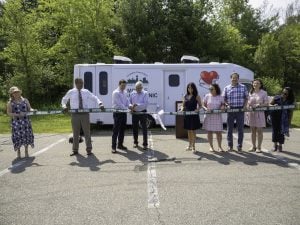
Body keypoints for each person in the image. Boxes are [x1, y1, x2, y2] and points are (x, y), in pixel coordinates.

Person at [61, 78, 104, 156]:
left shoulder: (86, 91)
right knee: (75, 133)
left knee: (87, 132)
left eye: (82, 83)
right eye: (80, 83)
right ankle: (75, 150)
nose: (81, 85)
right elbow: (64, 99)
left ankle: (89, 149)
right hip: (75, 114)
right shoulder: (71, 92)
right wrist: (64, 106)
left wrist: (100, 103)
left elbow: (94, 97)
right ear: (76, 83)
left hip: (85, 114)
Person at [222, 72, 248, 152]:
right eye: (233, 77)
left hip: (240, 110)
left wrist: (244, 107)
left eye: (236, 77)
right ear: (231, 78)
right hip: (231, 110)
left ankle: (239, 146)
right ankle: (230, 146)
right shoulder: (227, 88)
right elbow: (224, 98)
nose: (234, 79)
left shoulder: (243, 87)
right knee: (229, 129)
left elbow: (246, 98)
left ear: (238, 79)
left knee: (240, 129)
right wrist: (227, 105)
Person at [6, 86, 35, 159]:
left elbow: (29, 108)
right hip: (16, 123)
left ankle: (26, 151)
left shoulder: (25, 100)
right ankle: (18, 152)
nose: (16, 93)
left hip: (26, 122)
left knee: (26, 136)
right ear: (12, 94)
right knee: (17, 137)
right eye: (14, 92)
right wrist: (17, 114)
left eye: (17, 92)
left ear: (20, 92)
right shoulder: (10, 102)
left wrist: (32, 110)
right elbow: (9, 113)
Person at [270, 87, 295, 152]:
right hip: (275, 116)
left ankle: (280, 145)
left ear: (289, 94)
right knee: (275, 130)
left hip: (284, 118)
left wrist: (289, 121)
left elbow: (291, 112)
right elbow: (269, 104)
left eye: (286, 93)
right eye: (283, 92)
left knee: (282, 131)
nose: (283, 94)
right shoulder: (277, 97)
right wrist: (273, 105)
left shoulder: (290, 101)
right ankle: (275, 145)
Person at [247, 79, 269, 153]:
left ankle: (259, 147)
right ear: (252, 84)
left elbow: (266, 103)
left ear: (260, 85)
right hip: (251, 114)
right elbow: (248, 103)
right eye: (254, 83)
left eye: (257, 83)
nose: (255, 84)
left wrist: (259, 105)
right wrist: (248, 107)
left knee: (259, 130)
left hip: (260, 113)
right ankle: (253, 146)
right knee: (252, 131)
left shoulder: (264, 93)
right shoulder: (250, 93)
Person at [202, 84, 225, 152]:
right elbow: (203, 104)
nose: (210, 90)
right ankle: (211, 147)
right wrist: (206, 108)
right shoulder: (207, 96)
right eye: (210, 89)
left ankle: (220, 147)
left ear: (216, 89)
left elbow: (223, 104)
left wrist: (223, 107)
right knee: (209, 132)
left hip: (217, 116)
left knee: (219, 133)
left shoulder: (220, 97)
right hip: (209, 116)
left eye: (212, 89)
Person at [112, 79, 132, 153]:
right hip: (117, 113)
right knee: (116, 130)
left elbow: (127, 101)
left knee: (122, 130)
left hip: (124, 113)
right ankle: (113, 147)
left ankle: (120, 145)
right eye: (122, 85)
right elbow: (119, 104)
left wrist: (130, 105)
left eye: (125, 86)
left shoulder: (125, 92)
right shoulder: (115, 93)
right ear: (119, 84)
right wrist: (128, 109)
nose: (124, 87)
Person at [182, 82, 202, 152]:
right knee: (189, 130)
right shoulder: (185, 96)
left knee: (193, 131)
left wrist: (197, 109)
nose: (190, 89)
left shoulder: (197, 96)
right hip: (187, 115)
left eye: (191, 88)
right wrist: (182, 108)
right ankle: (189, 145)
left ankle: (193, 146)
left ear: (194, 88)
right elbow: (183, 105)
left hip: (194, 115)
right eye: (189, 88)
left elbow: (200, 106)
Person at [129, 81, 149, 150]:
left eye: (139, 88)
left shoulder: (145, 93)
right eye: (137, 88)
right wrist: (131, 108)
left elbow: (145, 104)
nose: (138, 89)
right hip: (135, 113)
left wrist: (137, 104)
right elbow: (130, 103)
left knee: (144, 128)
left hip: (143, 112)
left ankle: (145, 144)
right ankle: (135, 142)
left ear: (142, 87)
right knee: (135, 128)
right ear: (135, 88)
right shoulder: (132, 93)